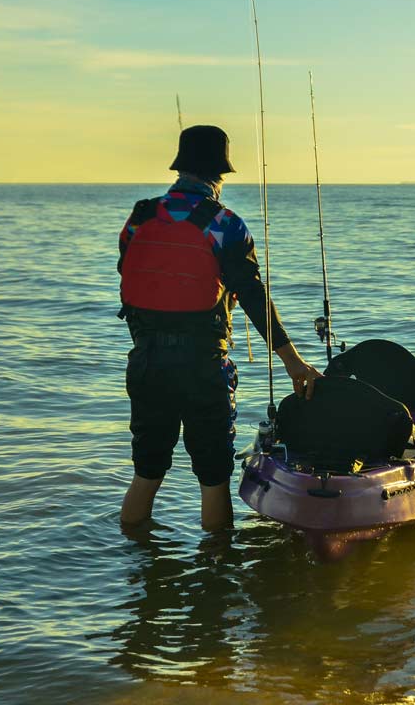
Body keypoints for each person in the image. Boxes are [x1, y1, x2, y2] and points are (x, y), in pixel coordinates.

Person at [117, 125, 322, 532]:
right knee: (213, 479)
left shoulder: (139, 218)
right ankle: (217, 577)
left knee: (147, 472)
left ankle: (137, 570)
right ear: (219, 175)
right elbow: (253, 297)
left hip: (145, 361)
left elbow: (136, 280)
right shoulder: (226, 224)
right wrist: (294, 363)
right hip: (202, 366)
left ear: (180, 167)